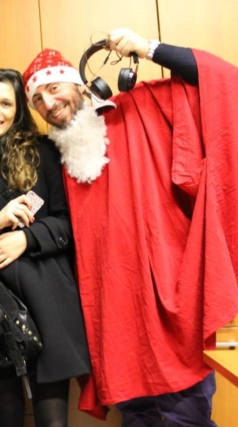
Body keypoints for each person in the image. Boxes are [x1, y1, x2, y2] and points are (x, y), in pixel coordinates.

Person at [23, 28, 238, 425]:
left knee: (186, 416)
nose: (48, 104)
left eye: (53, 89)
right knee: (137, 418)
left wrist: (148, 48)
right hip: (114, 321)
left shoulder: (141, 106)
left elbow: (221, 81)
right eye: (37, 99)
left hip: (171, 303)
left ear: (79, 83)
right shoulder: (55, 157)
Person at [0, 69, 91, 427]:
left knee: (53, 420)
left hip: (46, 293)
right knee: (6, 416)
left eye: (6, 103)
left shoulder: (43, 152)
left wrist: (27, 238)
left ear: (17, 111)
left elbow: (69, 221)